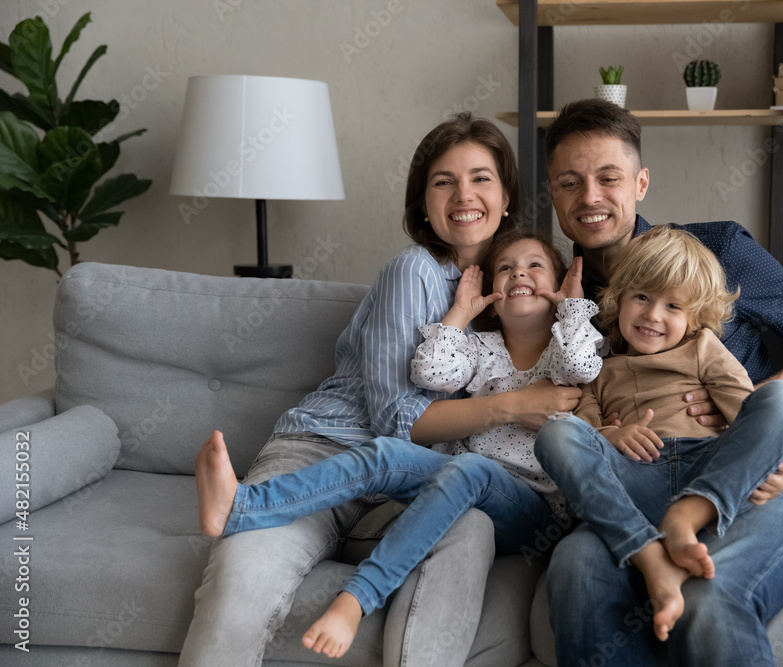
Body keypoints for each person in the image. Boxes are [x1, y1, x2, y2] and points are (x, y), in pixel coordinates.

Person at [179, 114, 584, 667]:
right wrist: (514, 406)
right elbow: (399, 419)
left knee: (469, 524)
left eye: (481, 178)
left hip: (421, 482)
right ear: (423, 203)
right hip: (328, 450)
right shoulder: (415, 270)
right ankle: (244, 511)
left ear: (507, 195)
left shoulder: (515, 289)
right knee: (244, 572)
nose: (464, 194)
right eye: (444, 181)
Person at [539, 98, 783, 665]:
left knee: (710, 599)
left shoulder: (716, 252)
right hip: (630, 493)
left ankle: (692, 520)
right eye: (570, 183)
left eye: (608, 178)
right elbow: (558, 411)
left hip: (756, 493)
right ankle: (652, 555)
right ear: (553, 195)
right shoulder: (557, 297)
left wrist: (753, 424)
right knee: (573, 568)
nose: (590, 197)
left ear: (641, 182)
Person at [534, 224, 783, 643]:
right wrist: (613, 435)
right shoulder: (598, 369)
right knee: (555, 434)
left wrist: (776, 458)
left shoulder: (703, 349)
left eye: (673, 306)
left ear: (696, 318)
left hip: (710, 465)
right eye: (642, 298)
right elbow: (585, 435)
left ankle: (690, 514)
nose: (652, 315)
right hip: (635, 484)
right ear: (619, 299)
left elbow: (748, 412)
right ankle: (649, 554)